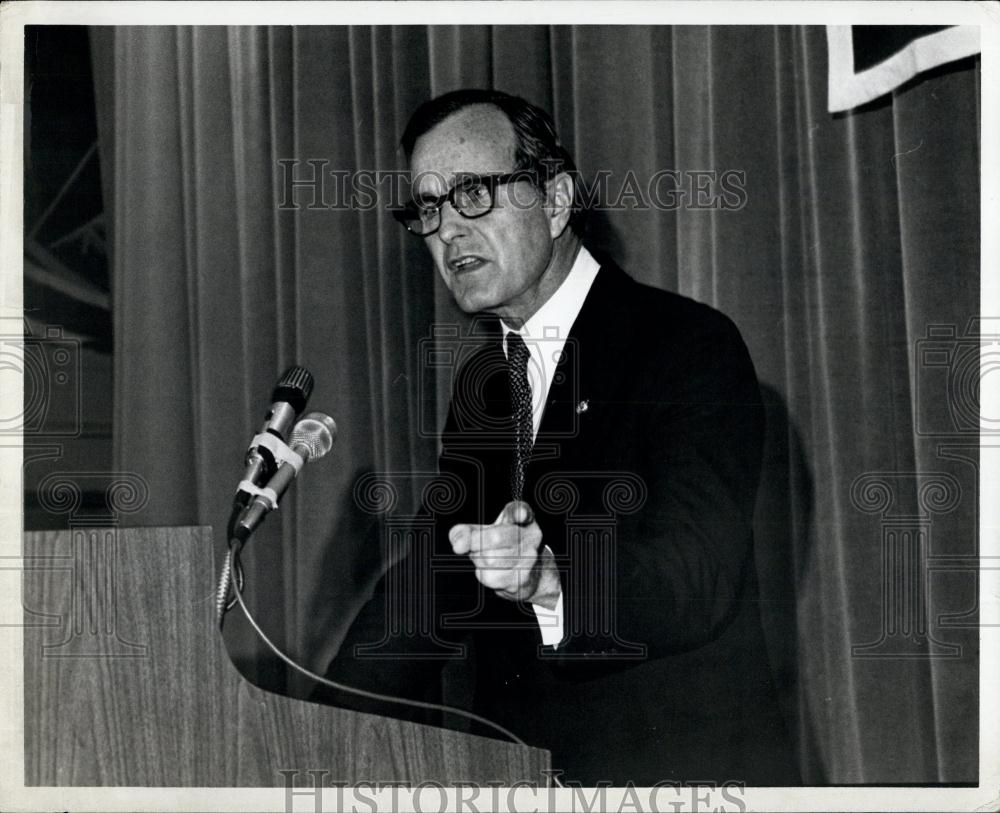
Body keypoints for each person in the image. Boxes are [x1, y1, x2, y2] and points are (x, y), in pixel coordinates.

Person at [313, 88, 799, 786]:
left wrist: (550, 582)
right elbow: (428, 587)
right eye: (428, 208)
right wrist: (308, 729)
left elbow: (696, 573)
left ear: (557, 198)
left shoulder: (686, 345)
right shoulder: (483, 384)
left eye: (472, 193)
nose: (448, 229)